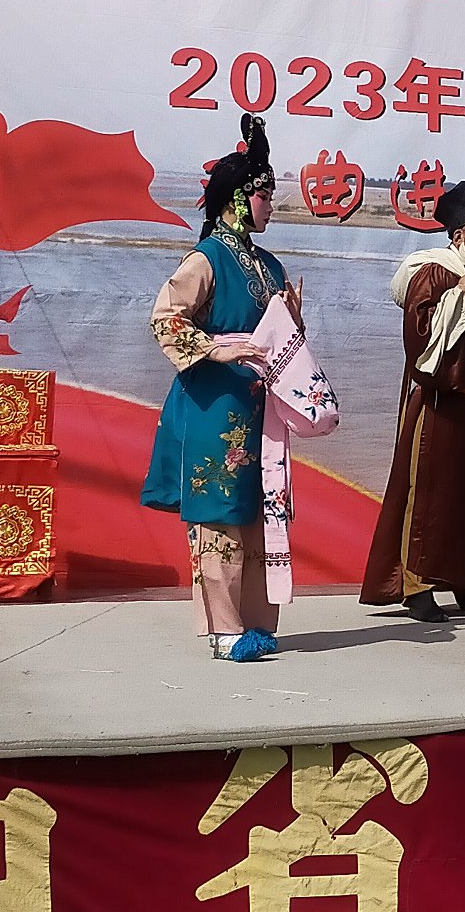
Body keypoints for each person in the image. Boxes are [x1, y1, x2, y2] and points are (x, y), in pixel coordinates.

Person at [142, 113, 304, 661]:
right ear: (237, 199)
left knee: (258, 509)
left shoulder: (269, 264)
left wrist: (293, 322)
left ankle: (256, 621)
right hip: (213, 403)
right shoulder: (205, 258)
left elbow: (280, 337)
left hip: (259, 406)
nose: (271, 205)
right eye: (264, 195)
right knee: (219, 510)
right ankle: (224, 629)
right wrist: (216, 347)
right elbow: (166, 318)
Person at [361, 180, 465, 621]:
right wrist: (460, 296)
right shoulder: (436, 271)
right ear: (458, 234)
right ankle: (418, 587)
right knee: (431, 496)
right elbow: (420, 337)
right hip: (441, 404)